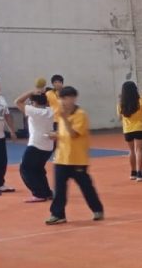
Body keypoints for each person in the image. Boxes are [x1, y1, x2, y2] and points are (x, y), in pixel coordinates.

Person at [45, 87, 105, 225]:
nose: (62, 101)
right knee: (59, 188)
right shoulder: (62, 114)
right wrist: (56, 135)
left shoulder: (80, 115)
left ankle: (97, 209)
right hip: (61, 158)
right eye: (61, 98)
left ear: (73, 98)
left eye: (65, 98)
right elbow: (64, 134)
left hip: (77, 159)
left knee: (86, 187)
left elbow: (73, 134)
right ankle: (58, 214)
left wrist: (64, 118)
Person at [15, 88, 56, 202]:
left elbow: (17, 102)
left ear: (34, 102)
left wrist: (31, 92)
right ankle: (46, 192)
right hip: (48, 146)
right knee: (38, 169)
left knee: (25, 169)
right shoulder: (50, 110)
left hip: (36, 144)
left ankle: (38, 193)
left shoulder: (34, 111)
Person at [118, 81, 142, 181]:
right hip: (140, 128)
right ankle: (140, 173)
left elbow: (120, 117)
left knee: (131, 151)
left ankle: (133, 172)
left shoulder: (121, 104)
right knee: (139, 151)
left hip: (127, 129)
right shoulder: (141, 101)